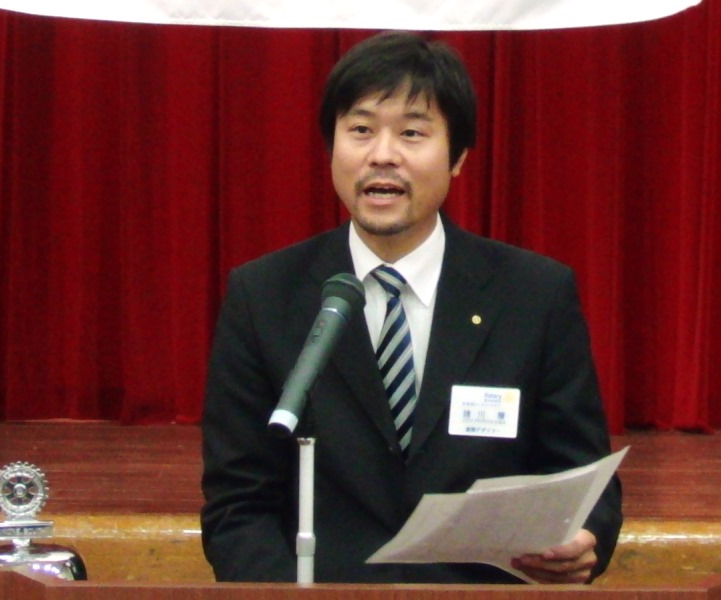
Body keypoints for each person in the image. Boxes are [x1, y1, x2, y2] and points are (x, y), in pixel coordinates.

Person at [200, 31, 622, 585]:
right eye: (360, 130)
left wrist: (586, 536)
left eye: (412, 133)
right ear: (332, 147)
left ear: (458, 157)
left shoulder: (534, 295)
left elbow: (583, 479)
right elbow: (237, 506)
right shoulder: (264, 296)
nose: (382, 155)